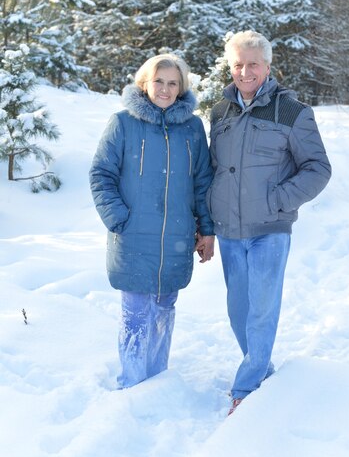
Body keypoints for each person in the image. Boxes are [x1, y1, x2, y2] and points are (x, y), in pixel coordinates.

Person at [207, 31, 331, 415]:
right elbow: (214, 169)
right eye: (238, 65)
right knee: (238, 312)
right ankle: (261, 366)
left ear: (267, 67)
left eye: (253, 64)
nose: (245, 72)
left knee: (262, 309)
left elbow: (318, 168)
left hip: (269, 231)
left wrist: (278, 200)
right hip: (229, 231)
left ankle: (246, 388)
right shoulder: (220, 112)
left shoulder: (292, 111)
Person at [90, 54, 214, 389]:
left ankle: (157, 380)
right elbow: (101, 174)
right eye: (159, 81)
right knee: (136, 312)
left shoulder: (191, 128)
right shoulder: (123, 123)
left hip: (176, 236)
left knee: (164, 308)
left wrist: (206, 230)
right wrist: (119, 220)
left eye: (173, 83)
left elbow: (202, 182)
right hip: (133, 237)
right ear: (145, 82)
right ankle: (132, 382)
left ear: (181, 87)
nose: (165, 89)